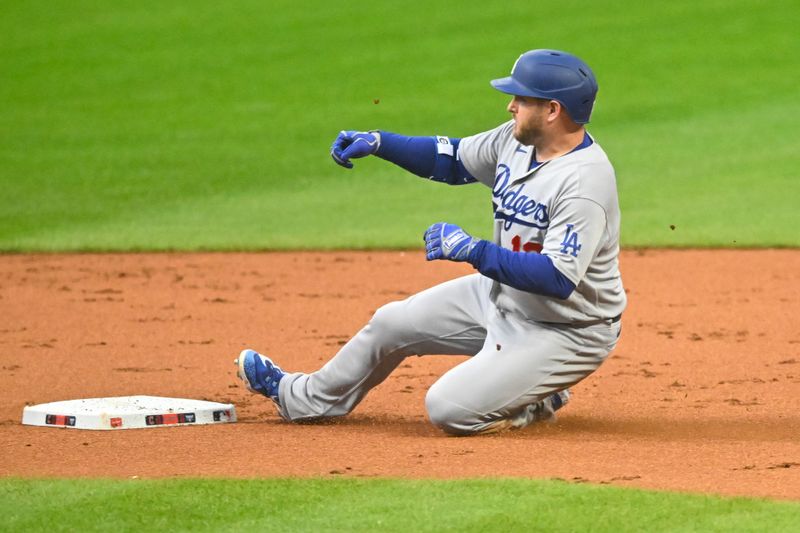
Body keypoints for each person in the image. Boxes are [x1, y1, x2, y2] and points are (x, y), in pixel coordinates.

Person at [235, 49, 626, 435]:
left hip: (567, 328)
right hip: (505, 296)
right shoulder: (517, 141)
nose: (510, 107)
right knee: (392, 323)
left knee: (449, 409)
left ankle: (532, 399)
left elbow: (557, 279)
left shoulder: (584, 183)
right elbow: (453, 160)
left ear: (553, 110)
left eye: (521, 99)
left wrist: (473, 250)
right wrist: (380, 142)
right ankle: (301, 398)